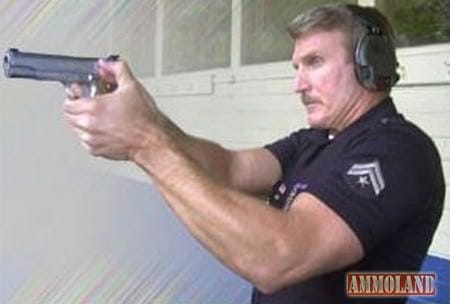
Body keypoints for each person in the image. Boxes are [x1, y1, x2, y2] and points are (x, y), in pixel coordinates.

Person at [63, 4, 445, 304]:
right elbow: (228, 168)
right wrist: (148, 119)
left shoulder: (399, 151)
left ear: (370, 63)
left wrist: (143, 141)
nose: (298, 84)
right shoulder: (314, 140)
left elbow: (280, 257)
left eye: (314, 62)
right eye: (296, 66)